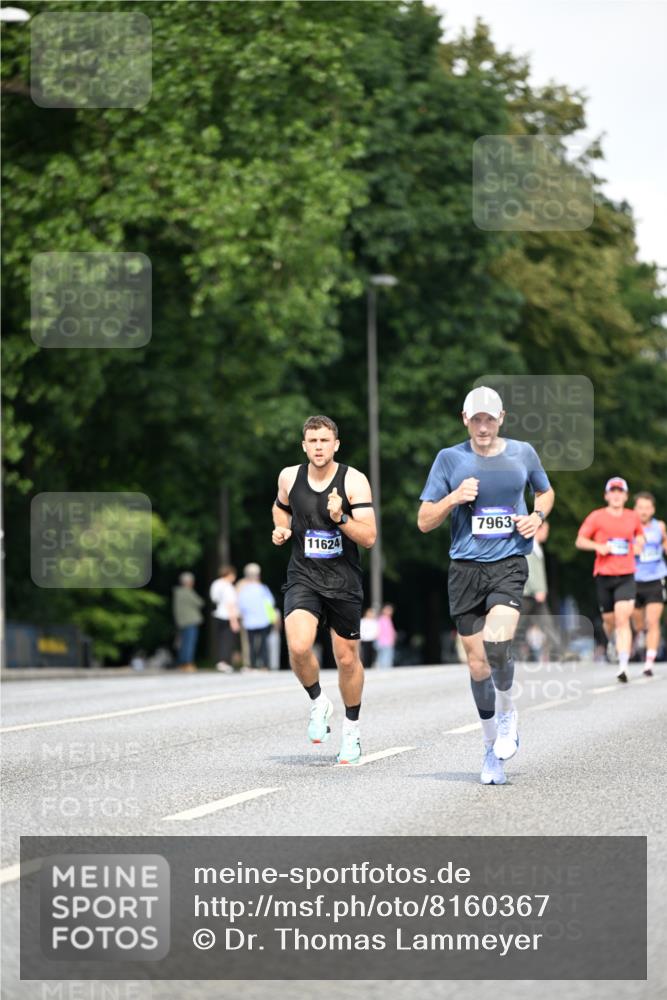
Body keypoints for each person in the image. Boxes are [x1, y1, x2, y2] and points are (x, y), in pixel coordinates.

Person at [418, 386, 554, 786]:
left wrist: (537, 516)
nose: (482, 426)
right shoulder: (449, 459)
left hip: (508, 563)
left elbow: (544, 492)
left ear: (501, 418)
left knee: (497, 645)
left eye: (489, 419)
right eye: (475, 419)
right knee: (477, 664)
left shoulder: (522, 453)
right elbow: (424, 520)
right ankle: (490, 747)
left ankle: (509, 713)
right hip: (464, 570)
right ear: (464, 418)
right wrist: (453, 498)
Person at [272, 415, 376, 765]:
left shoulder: (354, 481)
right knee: (298, 646)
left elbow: (370, 537)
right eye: (312, 441)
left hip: (343, 581)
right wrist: (281, 529)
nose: (319, 447)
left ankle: (351, 731)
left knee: (346, 658)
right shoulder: (289, 477)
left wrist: (341, 518)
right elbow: (280, 507)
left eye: (325, 440)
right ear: (304, 445)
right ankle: (318, 701)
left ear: (336, 444)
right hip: (304, 576)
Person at [575, 477, 645, 683]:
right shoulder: (597, 517)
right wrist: (598, 547)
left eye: (619, 491)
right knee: (609, 621)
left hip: (626, 575)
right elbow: (580, 540)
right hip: (604, 576)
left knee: (623, 619)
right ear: (606, 495)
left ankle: (623, 665)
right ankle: (613, 641)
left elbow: (639, 535)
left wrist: (640, 544)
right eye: (612, 491)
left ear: (625, 496)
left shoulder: (633, 517)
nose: (616, 495)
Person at [632, 491, 666, 676]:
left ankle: (649, 663)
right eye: (640, 508)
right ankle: (640, 635)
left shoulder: (659, 526)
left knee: (653, 621)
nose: (643, 511)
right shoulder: (628, 527)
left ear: (652, 509)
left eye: (647, 508)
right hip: (634, 580)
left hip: (655, 579)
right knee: (639, 624)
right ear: (635, 509)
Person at [236, 563, 276, 670]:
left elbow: (241, 605)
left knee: (251, 644)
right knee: (263, 644)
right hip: (263, 620)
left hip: (249, 621)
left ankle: (252, 665)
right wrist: (273, 618)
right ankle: (264, 665)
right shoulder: (263, 588)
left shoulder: (243, 589)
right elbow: (270, 603)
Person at [209, 564, 240, 673]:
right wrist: (234, 621)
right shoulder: (228, 586)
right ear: (229, 575)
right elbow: (230, 604)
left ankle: (220, 661)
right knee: (227, 640)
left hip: (217, 614)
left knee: (220, 639)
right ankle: (224, 662)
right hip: (227, 615)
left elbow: (214, 599)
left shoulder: (215, 584)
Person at [172, 571, 204, 672]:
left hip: (181, 622)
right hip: (191, 621)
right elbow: (200, 602)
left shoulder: (177, 593)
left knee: (183, 644)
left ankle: (182, 663)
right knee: (189, 644)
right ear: (189, 582)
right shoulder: (188, 592)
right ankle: (188, 663)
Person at [376, 603, 397, 669]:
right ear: (383, 610)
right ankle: (383, 668)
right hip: (383, 641)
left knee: (387, 655)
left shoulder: (388, 619)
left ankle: (386, 667)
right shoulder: (381, 619)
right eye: (388, 610)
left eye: (390, 610)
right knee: (384, 655)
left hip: (389, 641)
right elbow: (378, 630)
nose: (389, 612)